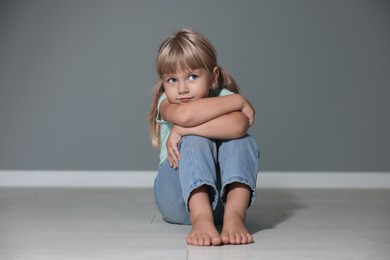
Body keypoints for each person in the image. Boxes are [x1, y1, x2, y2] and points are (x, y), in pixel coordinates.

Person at [149, 28, 260, 246]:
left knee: (242, 140)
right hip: (178, 198)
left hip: (222, 202)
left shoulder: (221, 96)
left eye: (192, 76)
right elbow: (185, 116)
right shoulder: (167, 102)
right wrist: (239, 101)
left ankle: (235, 216)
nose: (182, 88)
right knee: (194, 141)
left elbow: (240, 125)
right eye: (171, 80)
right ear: (163, 83)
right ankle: (200, 218)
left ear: (213, 77)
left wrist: (183, 130)